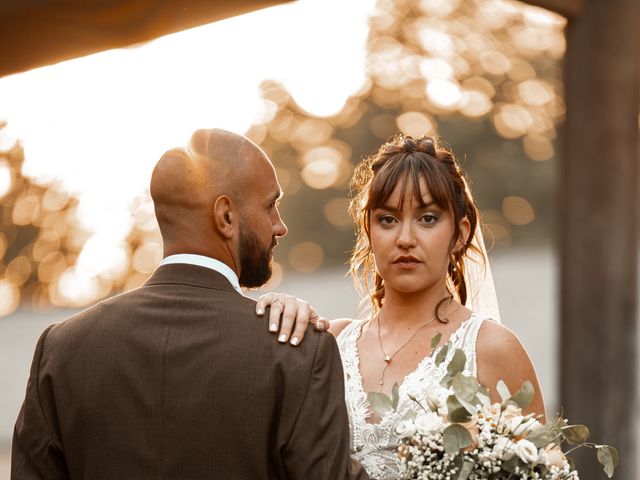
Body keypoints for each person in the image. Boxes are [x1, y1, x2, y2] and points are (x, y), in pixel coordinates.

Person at [11, 128, 368, 479]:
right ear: (226, 216)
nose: (280, 226)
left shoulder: (61, 348)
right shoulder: (298, 350)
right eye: (271, 205)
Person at [257, 134, 546, 480]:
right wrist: (273, 310)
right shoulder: (331, 341)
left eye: (427, 218)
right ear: (369, 231)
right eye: (388, 219)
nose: (405, 238)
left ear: (459, 234)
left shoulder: (492, 347)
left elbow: (543, 466)